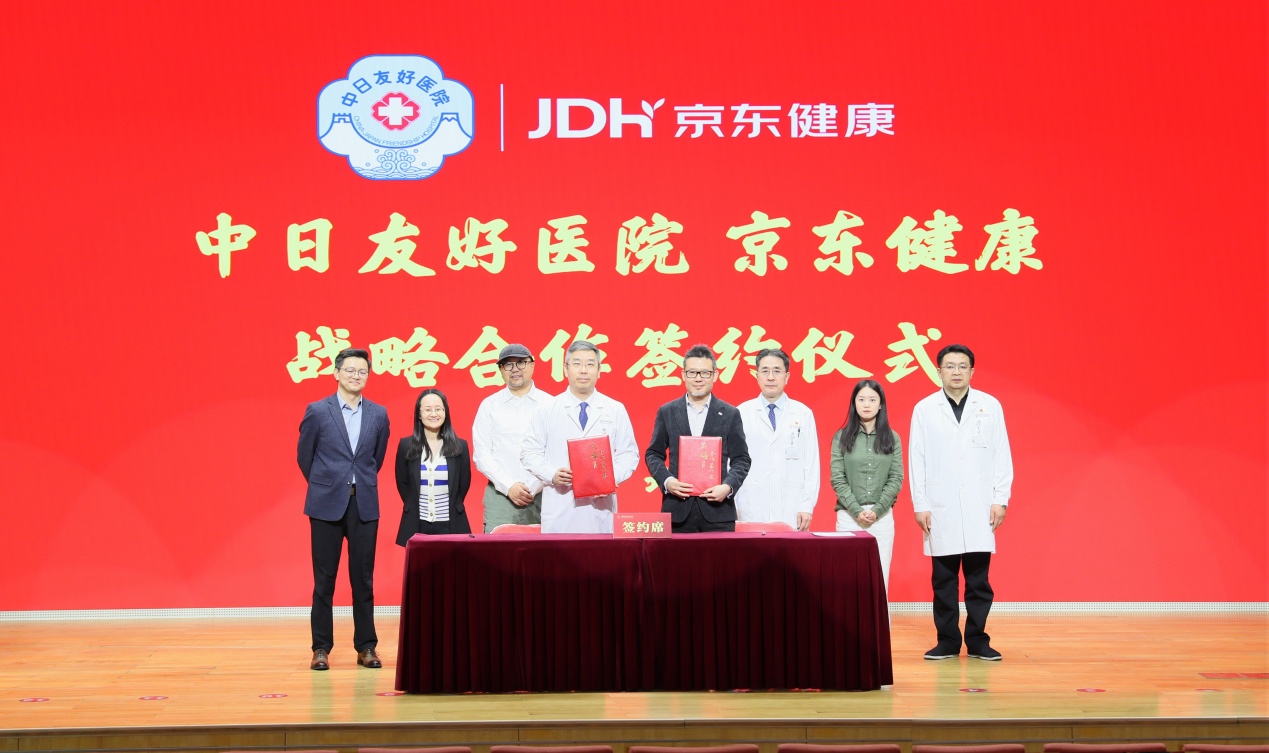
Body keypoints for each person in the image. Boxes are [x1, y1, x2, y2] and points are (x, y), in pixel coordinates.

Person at [909, 343, 1013, 661]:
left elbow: (1001, 454)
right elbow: (917, 459)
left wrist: (1000, 499)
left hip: (980, 505)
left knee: (979, 581)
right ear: (938, 371)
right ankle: (947, 641)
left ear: (972, 371)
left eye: (962, 366)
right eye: (950, 366)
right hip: (939, 507)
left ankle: (978, 640)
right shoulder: (925, 409)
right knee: (944, 580)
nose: (956, 372)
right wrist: (920, 504)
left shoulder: (990, 405)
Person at [296, 347, 391, 671]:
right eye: (349, 370)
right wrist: (327, 483)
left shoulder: (378, 413)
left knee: (363, 579)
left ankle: (366, 647)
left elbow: (376, 458)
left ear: (368, 376)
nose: (355, 376)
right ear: (336, 373)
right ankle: (321, 648)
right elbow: (304, 457)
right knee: (324, 580)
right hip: (326, 503)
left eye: (362, 371)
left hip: (363, 503)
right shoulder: (317, 411)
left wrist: (357, 482)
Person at [521, 341, 639, 533]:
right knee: (559, 552)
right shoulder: (546, 409)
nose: (583, 370)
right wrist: (551, 474)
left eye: (590, 364)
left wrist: (610, 479)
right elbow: (529, 453)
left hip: (600, 509)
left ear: (599, 370)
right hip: (560, 509)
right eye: (577, 364)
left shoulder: (615, 409)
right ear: (566, 369)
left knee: (601, 551)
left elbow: (629, 454)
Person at [645, 344, 751, 533]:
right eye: (692, 373)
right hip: (677, 512)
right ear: (683, 375)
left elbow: (741, 459)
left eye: (705, 373)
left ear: (715, 375)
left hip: (718, 513)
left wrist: (727, 487)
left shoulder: (730, 413)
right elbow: (653, 454)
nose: (698, 378)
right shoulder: (667, 411)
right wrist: (667, 481)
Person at [831, 379, 904, 592]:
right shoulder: (841, 437)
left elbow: (896, 478)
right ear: (854, 404)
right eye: (861, 399)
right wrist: (856, 510)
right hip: (848, 517)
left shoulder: (892, 438)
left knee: (879, 580)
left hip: (881, 518)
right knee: (847, 580)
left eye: (872, 400)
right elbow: (837, 478)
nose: (866, 404)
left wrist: (877, 509)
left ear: (880, 405)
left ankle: (879, 617)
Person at [735, 348, 820, 531]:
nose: (771, 377)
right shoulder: (741, 412)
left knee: (790, 549)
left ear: (787, 376)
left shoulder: (803, 413)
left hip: (792, 507)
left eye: (777, 371)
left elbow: (812, 463)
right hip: (750, 504)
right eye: (765, 371)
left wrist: (807, 505)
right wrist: (733, 503)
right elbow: (731, 463)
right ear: (757, 376)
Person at [471, 344, 553, 532]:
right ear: (501, 370)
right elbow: (482, 455)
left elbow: (556, 452)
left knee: (543, 549)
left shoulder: (550, 404)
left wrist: (534, 486)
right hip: (501, 496)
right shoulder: (489, 406)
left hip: (544, 493)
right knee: (497, 548)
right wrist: (509, 486)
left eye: (521, 363)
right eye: (508, 364)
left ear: (532, 365)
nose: (515, 369)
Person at [394, 388, 473, 543]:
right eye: (428, 410)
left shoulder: (460, 446)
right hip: (418, 522)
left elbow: (463, 485)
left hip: (450, 523)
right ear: (419, 414)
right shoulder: (406, 445)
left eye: (438, 409)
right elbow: (403, 483)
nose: (433, 414)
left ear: (445, 412)